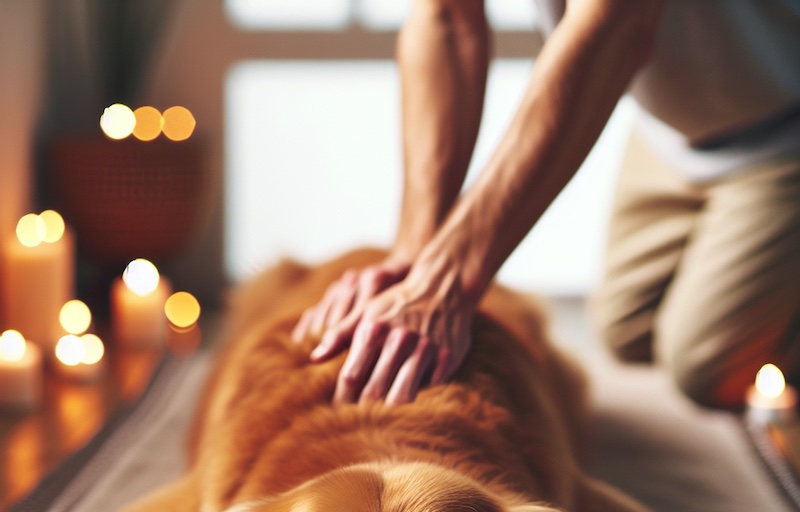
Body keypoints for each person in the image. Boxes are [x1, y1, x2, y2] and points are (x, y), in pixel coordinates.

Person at [292, 0, 800, 410]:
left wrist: (449, 276)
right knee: (629, 328)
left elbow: (613, 25)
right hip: (670, 135)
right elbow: (446, 15)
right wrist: (412, 255)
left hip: (781, 131)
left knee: (704, 367)